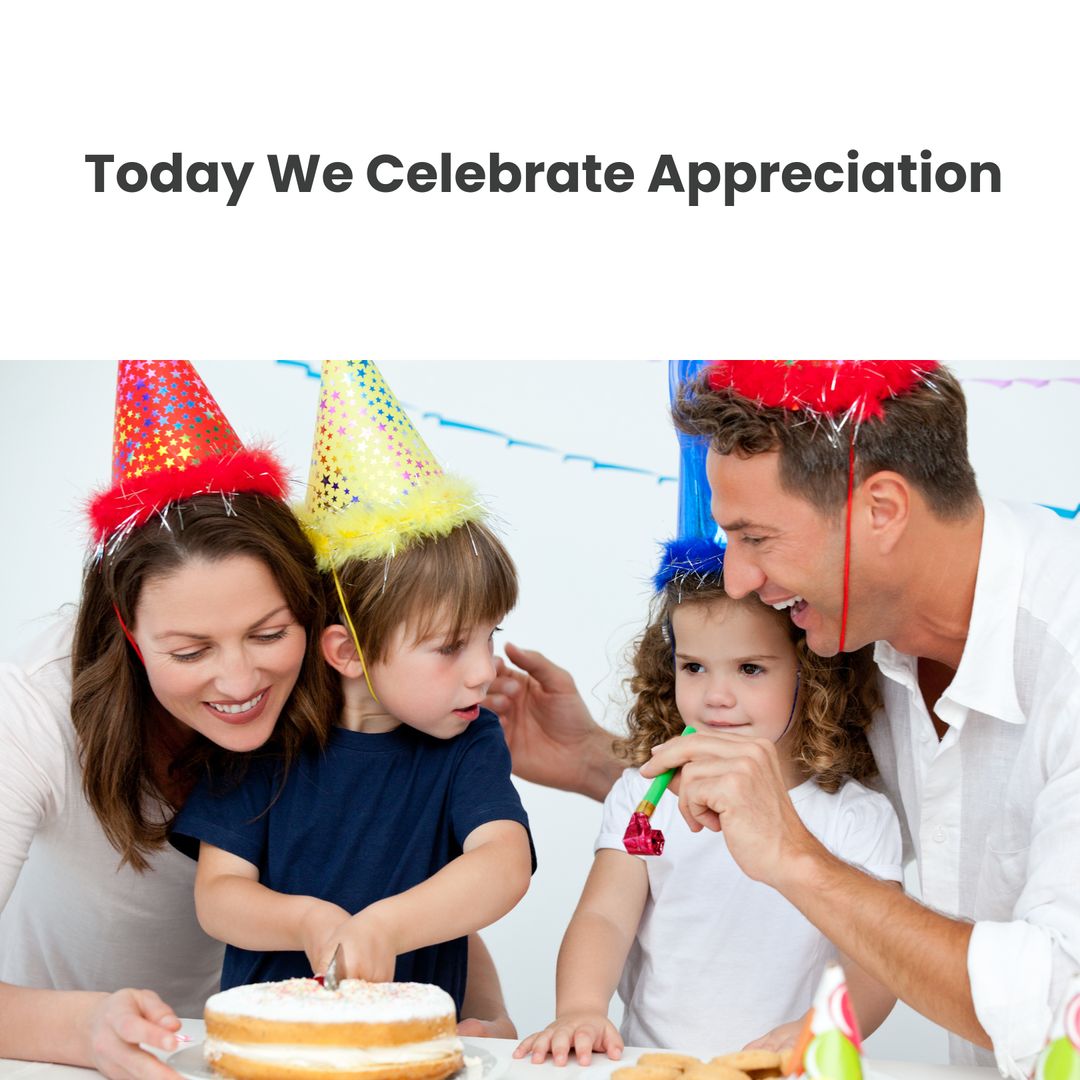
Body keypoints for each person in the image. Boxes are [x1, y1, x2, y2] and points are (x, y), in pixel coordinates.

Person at [486, 360, 1080, 1078]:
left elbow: (1059, 1008)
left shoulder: (1063, 650)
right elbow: (768, 786)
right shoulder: (864, 635)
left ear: (881, 510)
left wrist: (795, 860)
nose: (733, 579)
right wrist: (594, 758)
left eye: (756, 538)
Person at [0, 360, 515, 1080]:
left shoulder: (378, 698)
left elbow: (406, 863)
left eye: (270, 633)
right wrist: (81, 1028)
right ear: (127, 628)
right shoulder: (28, 708)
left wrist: (479, 1011)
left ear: (322, 625)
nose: (241, 683)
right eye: (190, 650)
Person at [514, 388, 900, 1064]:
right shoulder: (646, 797)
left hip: (783, 1068)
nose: (716, 696)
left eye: (750, 670)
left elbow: (874, 959)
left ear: (810, 676)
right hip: (654, 1066)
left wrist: (828, 1029)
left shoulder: (852, 816)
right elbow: (605, 916)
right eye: (694, 668)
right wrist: (580, 1008)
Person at [171, 358, 534, 1013]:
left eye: (490, 636)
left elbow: (502, 864)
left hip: (410, 1044)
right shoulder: (263, 737)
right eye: (450, 646)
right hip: (273, 1045)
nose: (483, 670)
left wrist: (387, 927)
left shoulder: (468, 740)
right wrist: (307, 922)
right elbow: (218, 896)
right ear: (347, 651)